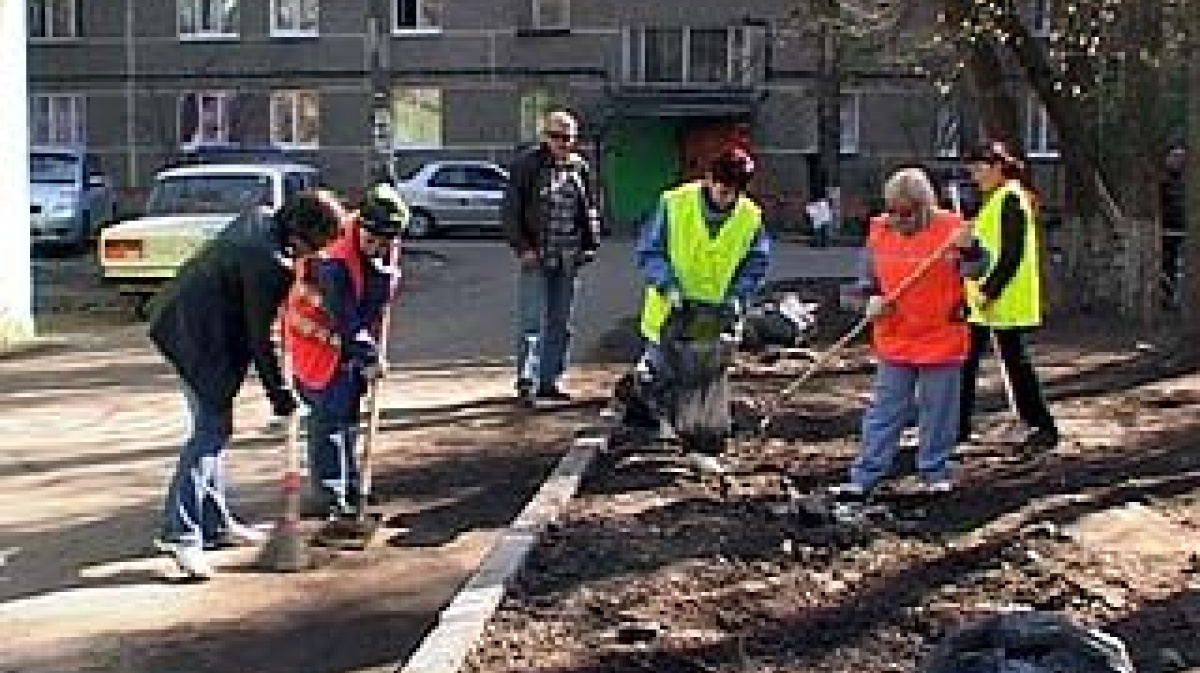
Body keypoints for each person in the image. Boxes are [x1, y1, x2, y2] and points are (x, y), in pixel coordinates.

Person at [148, 190, 344, 579]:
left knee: (214, 428)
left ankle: (214, 523)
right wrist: (281, 396)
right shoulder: (270, 262)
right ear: (302, 233)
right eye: (317, 245)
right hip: (199, 339)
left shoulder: (260, 219)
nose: (316, 255)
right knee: (209, 434)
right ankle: (181, 534)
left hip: (181, 319)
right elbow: (261, 338)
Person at [831, 167, 988, 501]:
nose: (898, 219)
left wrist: (971, 249)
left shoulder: (952, 230)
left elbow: (978, 270)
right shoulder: (879, 233)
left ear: (925, 206)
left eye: (907, 213)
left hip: (941, 337)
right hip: (896, 338)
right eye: (893, 211)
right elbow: (861, 287)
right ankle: (866, 475)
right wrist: (868, 302)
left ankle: (935, 471)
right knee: (885, 411)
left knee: (938, 411)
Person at [633, 147, 771, 470]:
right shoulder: (674, 204)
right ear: (709, 179)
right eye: (723, 190)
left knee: (705, 373)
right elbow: (649, 251)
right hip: (672, 310)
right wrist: (667, 284)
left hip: (715, 313)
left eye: (734, 193)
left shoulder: (750, 217)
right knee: (660, 374)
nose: (726, 199)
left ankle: (698, 438)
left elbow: (756, 262)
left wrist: (739, 295)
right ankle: (658, 432)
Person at [283, 183, 406, 522]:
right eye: (373, 241)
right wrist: (369, 354)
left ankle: (352, 488)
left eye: (386, 243)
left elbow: (372, 302)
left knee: (349, 416)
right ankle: (329, 495)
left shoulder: (384, 243)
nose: (379, 248)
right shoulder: (333, 260)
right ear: (361, 226)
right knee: (328, 419)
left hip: (348, 347)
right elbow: (347, 318)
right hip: (318, 343)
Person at [959, 140, 1059, 454]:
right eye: (971, 170)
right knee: (970, 361)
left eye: (979, 169)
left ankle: (1042, 425)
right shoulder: (995, 199)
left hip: (1001, 297)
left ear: (997, 166)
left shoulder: (1010, 199)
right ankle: (958, 425)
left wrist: (990, 291)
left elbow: (1012, 254)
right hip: (985, 297)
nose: (975, 176)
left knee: (1013, 363)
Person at [502, 108, 603, 406]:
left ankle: (551, 381)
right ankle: (527, 382)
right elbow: (510, 211)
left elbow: (590, 209)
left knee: (561, 322)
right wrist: (523, 247)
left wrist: (590, 244)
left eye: (568, 137)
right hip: (537, 254)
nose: (563, 143)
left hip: (569, 256)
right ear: (544, 137)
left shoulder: (579, 167)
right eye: (557, 137)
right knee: (532, 321)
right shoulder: (527, 166)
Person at [1161, 146, 1186, 309]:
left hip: (1183, 231)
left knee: (1180, 265)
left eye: (1180, 159)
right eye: (1173, 158)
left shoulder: (1188, 183)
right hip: (1166, 231)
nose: (1176, 161)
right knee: (1167, 264)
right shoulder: (1163, 182)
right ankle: (1167, 297)